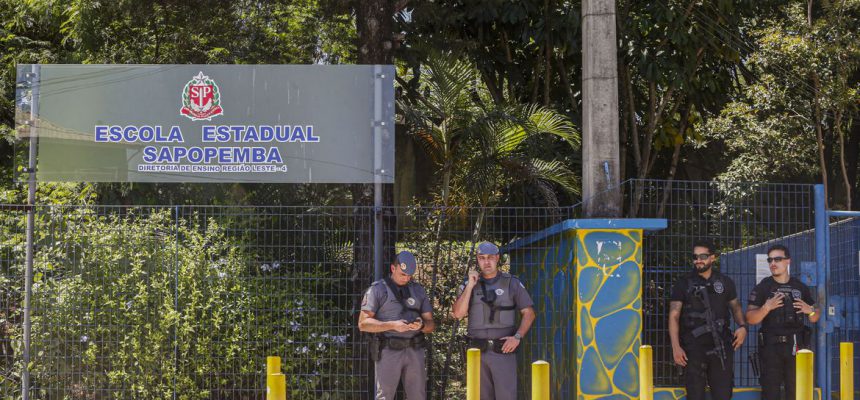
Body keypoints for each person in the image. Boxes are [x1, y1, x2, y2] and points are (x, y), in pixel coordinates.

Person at [452, 241, 536, 400]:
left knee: (506, 396)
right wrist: (469, 286)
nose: (486, 262)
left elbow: (529, 313)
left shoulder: (512, 283)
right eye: (482, 258)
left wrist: (517, 337)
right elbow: (457, 314)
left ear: (497, 258)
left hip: (503, 351)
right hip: (477, 352)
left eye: (490, 257)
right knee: (479, 396)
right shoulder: (468, 284)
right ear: (477, 259)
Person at [668, 240, 747, 400]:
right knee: (695, 395)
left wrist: (743, 327)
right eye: (695, 257)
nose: (698, 260)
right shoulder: (683, 283)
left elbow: (736, 307)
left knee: (723, 394)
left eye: (703, 256)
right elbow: (674, 315)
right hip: (693, 348)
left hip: (721, 347)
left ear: (713, 258)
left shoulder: (725, 282)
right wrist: (676, 347)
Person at [358, 251, 435, 400]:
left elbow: (431, 325)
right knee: (385, 396)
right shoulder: (378, 289)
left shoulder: (418, 290)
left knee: (418, 396)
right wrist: (392, 325)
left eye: (409, 275)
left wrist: (421, 326)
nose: (406, 278)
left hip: (415, 350)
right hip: (388, 350)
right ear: (393, 268)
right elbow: (363, 323)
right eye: (402, 274)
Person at [746, 244, 819, 400]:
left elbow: (815, 317)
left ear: (788, 261)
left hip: (796, 347)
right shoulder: (763, 288)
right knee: (770, 393)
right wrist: (766, 307)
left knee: (796, 392)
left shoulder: (800, 287)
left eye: (777, 259)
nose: (773, 263)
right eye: (770, 260)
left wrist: (811, 310)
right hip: (771, 349)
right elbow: (750, 319)